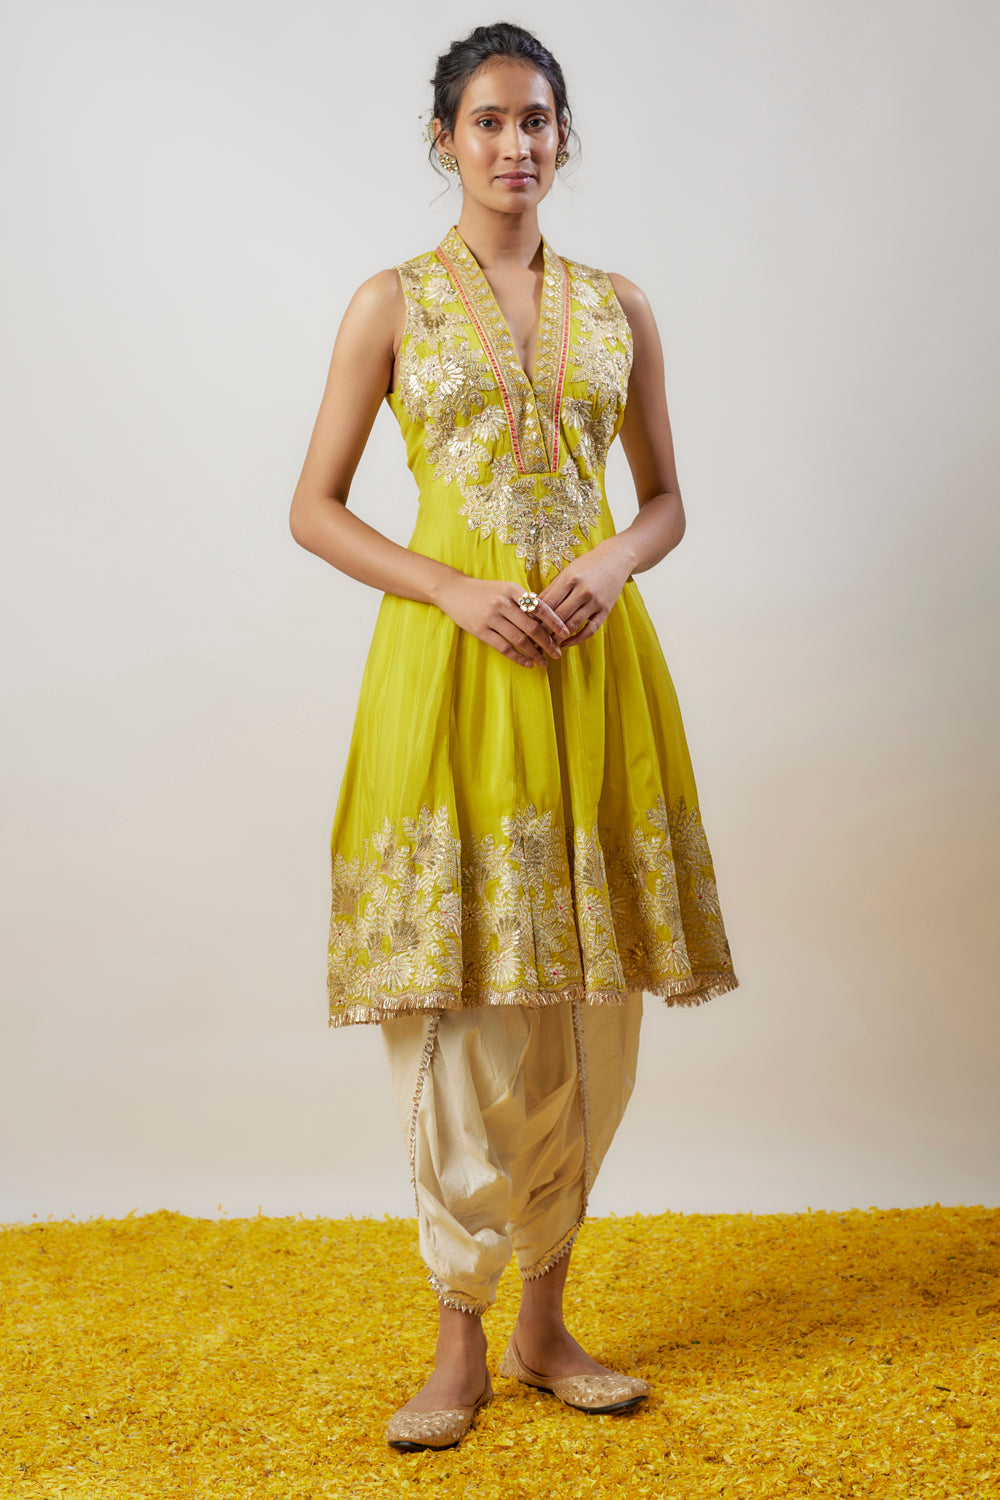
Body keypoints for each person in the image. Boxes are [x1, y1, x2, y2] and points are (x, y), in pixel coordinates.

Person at [289, 20, 739, 1453]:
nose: (514, 144)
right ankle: (458, 1337)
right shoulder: (391, 303)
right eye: (487, 121)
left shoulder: (617, 307)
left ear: (562, 137)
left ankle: (547, 1321)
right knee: (467, 1007)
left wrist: (615, 559)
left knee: (589, 1010)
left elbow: (664, 499)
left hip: (596, 680)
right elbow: (314, 507)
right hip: (453, 676)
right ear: (445, 139)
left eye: (536, 119)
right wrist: (450, 589)